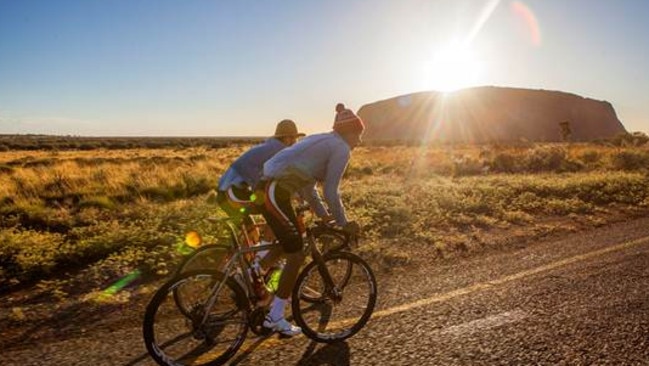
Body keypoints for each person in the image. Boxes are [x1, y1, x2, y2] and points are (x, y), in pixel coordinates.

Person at [255, 103, 363, 336]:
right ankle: (275, 317)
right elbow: (331, 191)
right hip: (276, 192)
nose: (360, 141)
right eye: (359, 134)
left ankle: (250, 276)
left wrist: (325, 216)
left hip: (271, 189)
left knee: (289, 246)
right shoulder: (341, 148)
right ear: (349, 132)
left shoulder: (323, 141)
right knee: (296, 255)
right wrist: (344, 223)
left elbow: (308, 189)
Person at [216, 119, 304, 245]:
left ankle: (249, 256)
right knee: (271, 210)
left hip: (229, 192)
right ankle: (260, 253)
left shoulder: (269, 146)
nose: (295, 142)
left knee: (263, 220)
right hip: (230, 193)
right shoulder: (278, 150)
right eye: (294, 138)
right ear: (286, 138)